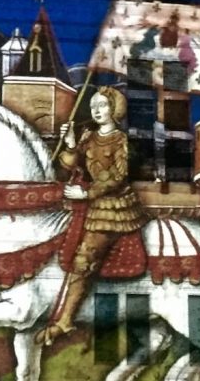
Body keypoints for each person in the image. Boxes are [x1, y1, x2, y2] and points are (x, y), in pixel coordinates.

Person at [35, 87, 144, 346]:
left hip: (113, 208)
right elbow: (69, 167)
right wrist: (71, 144)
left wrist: (87, 193)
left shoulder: (121, 140)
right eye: (93, 106)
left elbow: (118, 177)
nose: (96, 111)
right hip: (90, 205)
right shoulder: (88, 137)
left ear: (114, 109)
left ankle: (65, 321)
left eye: (102, 106)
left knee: (84, 260)